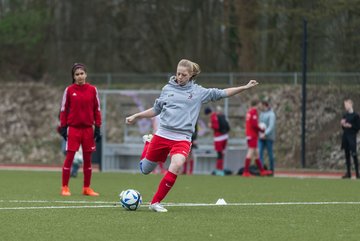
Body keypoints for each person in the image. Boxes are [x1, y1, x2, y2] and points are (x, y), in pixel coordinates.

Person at [125, 59, 259, 212]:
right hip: (162, 134)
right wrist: (136, 115)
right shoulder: (167, 89)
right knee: (145, 170)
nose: (180, 77)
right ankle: (148, 142)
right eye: (178, 74)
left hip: (182, 138)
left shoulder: (198, 92)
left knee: (177, 164)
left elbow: (223, 93)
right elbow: (156, 110)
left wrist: (245, 87)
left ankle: (155, 202)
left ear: (191, 75)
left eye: (183, 75)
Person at [58, 63, 102, 196]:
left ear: (86, 74)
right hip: (74, 129)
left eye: (82, 73)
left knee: (87, 159)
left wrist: (98, 127)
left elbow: (97, 110)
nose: (80, 76)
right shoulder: (69, 90)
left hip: (88, 129)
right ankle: (65, 187)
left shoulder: (93, 90)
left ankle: (86, 188)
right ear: (73, 76)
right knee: (70, 157)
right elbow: (63, 110)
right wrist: (63, 127)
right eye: (77, 74)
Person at [242, 98, 272, 177]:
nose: (260, 105)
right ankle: (245, 172)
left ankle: (262, 171)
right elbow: (254, 124)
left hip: (250, 134)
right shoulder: (253, 112)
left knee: (256, 154)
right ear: (257, 104)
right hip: (252, 135)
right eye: (259, 104)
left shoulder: (249, 111)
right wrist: (261, 130)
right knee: (250, 153)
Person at [204, 105, 229, 176]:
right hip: (225, 136)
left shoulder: (213, 117)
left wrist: (210, 126)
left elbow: (216, 127)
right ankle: (220, 169)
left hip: (218, 138)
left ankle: (219, 170)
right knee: (222, 153)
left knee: (219, 154)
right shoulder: (219, 115)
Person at [340, 98, 360, 179]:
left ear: (351, 104)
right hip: (346, 137)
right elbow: (343, 126)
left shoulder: (356, 116)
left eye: (347, 104)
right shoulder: (345, 115)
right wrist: (343, 125)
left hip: (352, 137)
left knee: (354, 154)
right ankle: (348, 173)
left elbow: (358, 127)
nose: (345, 106)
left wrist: (351, 126)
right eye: (345, 105)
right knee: (347, 155)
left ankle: (357, 173)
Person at [258, 99, 276, 173]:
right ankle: (261, 169)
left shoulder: (271, 114)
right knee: (259, 153)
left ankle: (271, 169)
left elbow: (271, 126)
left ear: (265, 105)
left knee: (270, 154)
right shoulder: (261, 114)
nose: (261, 108)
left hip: (269, 138)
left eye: (262, 106)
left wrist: (265, 134)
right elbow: (259, 124)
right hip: (261, 137)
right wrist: (260, 134)